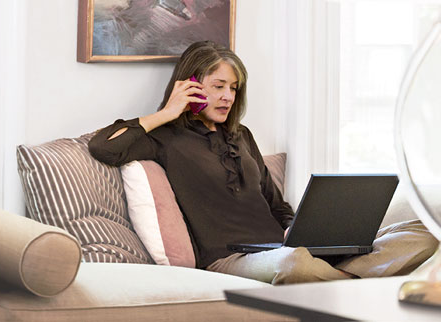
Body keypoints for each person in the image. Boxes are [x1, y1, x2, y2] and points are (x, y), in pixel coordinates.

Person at [87, 41, 437, 284]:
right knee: (294, 263)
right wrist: (165, 113)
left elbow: (275, 203)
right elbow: (104, 147)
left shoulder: (242, 136)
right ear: (191, 86)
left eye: (234, 88)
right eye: (218, 85)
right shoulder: (164, 138)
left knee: (425, 233)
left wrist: (293, 228)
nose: (228, 96)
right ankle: (350, 284)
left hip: (283, 247)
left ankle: (331, 281)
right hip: (230, 261)